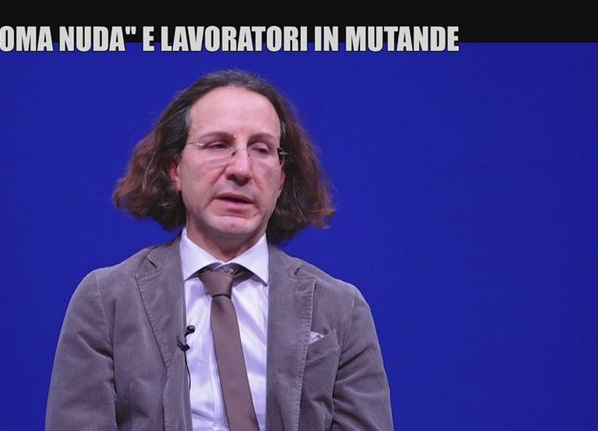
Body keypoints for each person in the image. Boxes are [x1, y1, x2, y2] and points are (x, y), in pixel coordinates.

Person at [45, 70, 393, 431]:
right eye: (217, 145)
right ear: (175, 170)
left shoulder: (340, 310)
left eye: (261, 149)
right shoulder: (107, 302)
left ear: (281, 179)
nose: (241, 169)